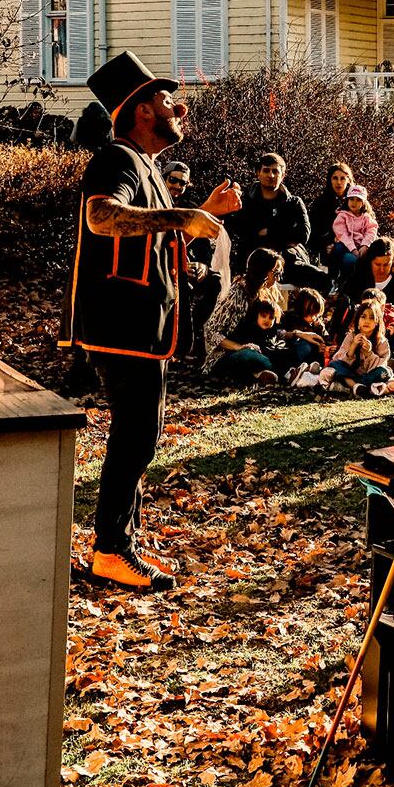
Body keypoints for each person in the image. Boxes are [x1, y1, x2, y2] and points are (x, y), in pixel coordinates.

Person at [62, 53, 241, 593]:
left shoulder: (147, 167)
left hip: (145, 326)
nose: (178, 108)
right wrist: (184, 216)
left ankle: (122, 540)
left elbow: (153, 240)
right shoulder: (116, 158)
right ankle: (110, 551)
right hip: (122, 323)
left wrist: (201, 213)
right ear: (141, 111)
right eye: (167, 100)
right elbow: (101, 218)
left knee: (142, 434)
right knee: (136, 436)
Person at [164, 160, 227, 365]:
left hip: (189, 267)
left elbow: (203, 247)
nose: (177, 186)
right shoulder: (154, 204)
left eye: (182, 183)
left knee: (214, 281)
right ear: (164, 178)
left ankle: (193, 331)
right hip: (165, 267)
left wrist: (203, 265)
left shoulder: (192, 208)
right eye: (173, 180)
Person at [229, 152, 319, 287]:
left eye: (275, 171)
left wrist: (269, 232)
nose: (270, 175)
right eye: (266, 170)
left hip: (289, 260)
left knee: (322, 280)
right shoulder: (245, 201)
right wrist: (285, 235)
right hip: (252, 260)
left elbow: (303, 235)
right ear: (258, 173)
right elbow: (240, 230)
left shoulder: (294, 203)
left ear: (283, 175)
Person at [203, 247, 287, 383]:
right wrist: (239, 347)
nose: (278, 278)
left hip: (259, 345)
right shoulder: (234, 294)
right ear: (263, 271)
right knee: (251, 356)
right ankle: (284, 373)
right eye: (275, 273)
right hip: (229, 353)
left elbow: (271, 329)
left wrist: (297, 334)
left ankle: (262, 374)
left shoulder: (265, 292)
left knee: (288, 348)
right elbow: (211, 332)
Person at [308, 296, 394, 397]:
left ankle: (355, 386)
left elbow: (382, 364)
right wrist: (353, 347)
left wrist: (369, 353)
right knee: (333, 366)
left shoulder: (381, 341)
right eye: (363, 316)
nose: (367, 321)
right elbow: (338, 358)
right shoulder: (351, 336)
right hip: (350, 374)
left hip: (370, 375)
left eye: (372, 318)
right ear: (358, 321)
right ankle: (357, 387)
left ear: (376, 323)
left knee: (385, 372)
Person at [348, 237, 394, 361]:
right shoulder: (359, 278)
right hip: (364, 332)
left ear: (393, 262)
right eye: (377, 264)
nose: (382, 270)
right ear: (370, 261)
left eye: (386, 264)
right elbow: (346, 301)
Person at [326, 186, 379, 286]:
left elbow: (371, 231)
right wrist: (352, 249)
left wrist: (365, 245)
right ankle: (332, 277)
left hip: (360, 248)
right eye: (351, 199)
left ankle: (345, 282)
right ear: (347, 200)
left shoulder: (366, 217)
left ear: (363, 202)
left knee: (351, 259)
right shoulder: (342, 216)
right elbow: (342, 234)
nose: (354, 202)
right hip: (346, 246)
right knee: (339, 248)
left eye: (358, 200)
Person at [307, 162, 355, 264]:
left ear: (348, 180)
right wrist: (327, 244)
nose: (339, 182)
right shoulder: (320, 202)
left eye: (342, 178)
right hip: (328, 248)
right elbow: (314, 231)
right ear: (330, 180)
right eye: (335, 178)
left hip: (354, 244)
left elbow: (367, 221)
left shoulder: (356, 200)